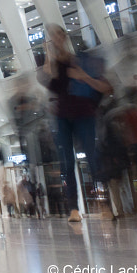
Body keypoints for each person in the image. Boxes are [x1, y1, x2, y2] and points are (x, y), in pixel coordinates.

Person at [40, 22, 111, 222]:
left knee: (92, 157)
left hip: (83, 113)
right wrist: (48, 52)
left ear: (65, 37)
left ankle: (104, 203)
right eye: (52, 36)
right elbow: (49, 78)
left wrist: (83, 76)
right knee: (67, 161)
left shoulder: (78, 60)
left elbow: (102, 85)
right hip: (62, 115)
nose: (56, 39)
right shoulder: (54, 63)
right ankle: (73, 208)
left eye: (58, 35)